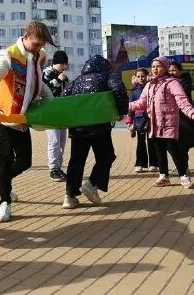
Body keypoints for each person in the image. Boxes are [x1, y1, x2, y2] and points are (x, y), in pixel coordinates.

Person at [0, 21, 55, 223]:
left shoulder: (39, 57)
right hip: (2, 115)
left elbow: (38, 84)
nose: (39, 48)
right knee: (6, 157)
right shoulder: (9, 55)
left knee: (25, 161)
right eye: (36, 43)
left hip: (22, 118)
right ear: (26, 36)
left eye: (42, 45)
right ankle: (4, 203)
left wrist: (52, 102)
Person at [61, 55, 128, 208]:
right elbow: (118, 89)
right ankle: (92, 185)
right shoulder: (107, 75)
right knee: (107, 156)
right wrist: (122, 111)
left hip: (78, 126)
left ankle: (69, 196)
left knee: (76, 160)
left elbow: (64, 97)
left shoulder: (77, 79)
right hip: (99, 124)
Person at [128, 56, 194, 189]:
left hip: (169, 124)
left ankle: (184, 176)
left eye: (159, 66)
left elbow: (182, 101)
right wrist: (124, 106)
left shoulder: (172, 83)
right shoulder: (149, 85)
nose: (155, 69)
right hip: (154, 125)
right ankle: (163, 176)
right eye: (153, 66)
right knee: (159, 151)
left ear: (165, 67)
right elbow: (141, 103)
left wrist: (192, 112)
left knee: (175, 151)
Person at [168, 61, 194, 170]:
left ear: (180, 71)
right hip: (170, 117)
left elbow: (182, 99)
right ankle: (179, 164)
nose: (171, 72)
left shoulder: (185, 83)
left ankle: (183, 166)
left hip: (184, 117)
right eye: (169, 70)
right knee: (171, 144)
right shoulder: (166, 82)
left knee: (183, 144)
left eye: (174, 70)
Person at [42, 50, 69, 181]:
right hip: (50, 112)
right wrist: (57, 80)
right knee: (54, 141)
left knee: (62, 141)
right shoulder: (47, 73)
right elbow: (45, 91)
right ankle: (53, 169)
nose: (65, 67)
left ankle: (58, 167)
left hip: (63, 113)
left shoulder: (64, 76)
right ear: (56, 63)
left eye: (66, 65)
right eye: (63, 64)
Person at [126, 68, 154, 173]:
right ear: (135, 78)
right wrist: (129, 122)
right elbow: (130, 108)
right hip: (139, 120)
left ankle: (154, 163)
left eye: (143, 76)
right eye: (138, 76)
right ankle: (139, 164)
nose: (141, 78)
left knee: (152, 142)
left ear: (148, 76)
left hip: (152, 118)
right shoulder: (134, 91)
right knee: (140, 142)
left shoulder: (152, 87)